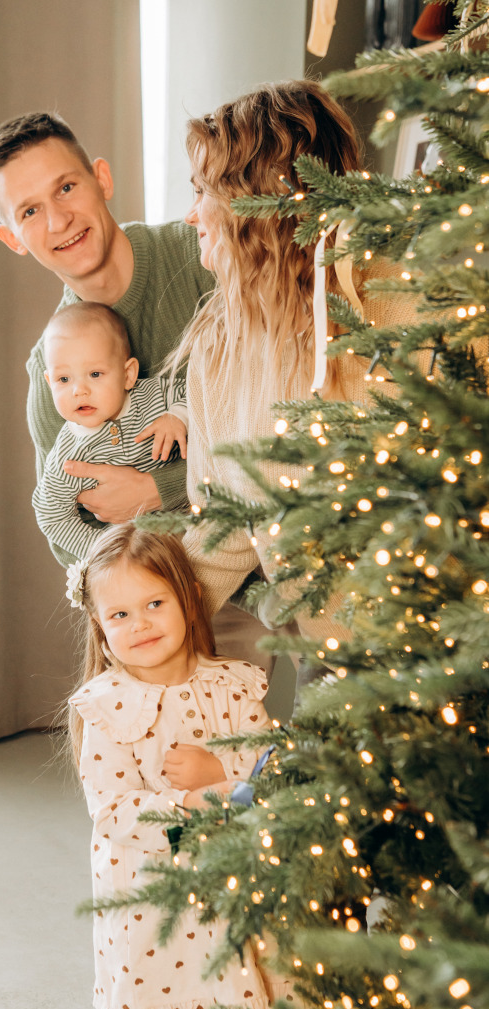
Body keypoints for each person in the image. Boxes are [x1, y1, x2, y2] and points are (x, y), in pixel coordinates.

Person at [173, 80, 419, 646]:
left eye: (201, 190)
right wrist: (154, 629)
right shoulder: (219, 346)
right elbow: (224, 524)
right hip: (330, 660)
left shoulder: (401, 310)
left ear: (255, 198)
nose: (191, 216)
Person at [66, 523, 279, 1009]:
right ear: (99, 624)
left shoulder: (234, 685)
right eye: (120, 615)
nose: (139, 624)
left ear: (187, 600)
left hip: (234, 894)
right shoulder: (107, 707)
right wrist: (189, 807)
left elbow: (271, 775)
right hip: (153, 913)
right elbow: (112, 811)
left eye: (154, 603)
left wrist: (219, 769)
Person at [0, 111, 214, 568]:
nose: (59, 220)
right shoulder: (52, 375)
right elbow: (65, 531)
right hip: (162, 594)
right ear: (13, 239)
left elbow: (278, 417)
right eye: (30, 211)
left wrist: (161, 491)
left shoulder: (202, 256)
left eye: (66, 188)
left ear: (101, 178)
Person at [33, 302, 188, 561]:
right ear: (49, 383)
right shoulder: (69, 459)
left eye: (94, 374)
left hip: (205, 518)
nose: (78, 390)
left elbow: (203, 392)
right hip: (148, 553)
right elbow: (50, 515)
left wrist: (178, 416)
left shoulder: (154, 396)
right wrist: (104, 550)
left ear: (128, 375)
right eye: (64, 379)